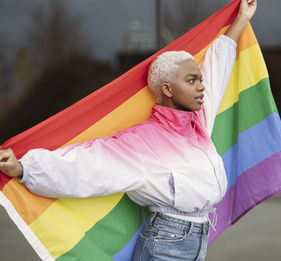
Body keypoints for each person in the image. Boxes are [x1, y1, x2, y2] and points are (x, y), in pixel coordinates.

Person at [0, 1, 257, 260]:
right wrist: (25, 168)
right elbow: (88, 164)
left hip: (199, 237)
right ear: (167, 89)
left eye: (200, 79)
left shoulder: (198, 123)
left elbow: (218, 66)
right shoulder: (143, 141)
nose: (202, 86)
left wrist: (241, 20)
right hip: (167, 242)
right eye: (192, 80)